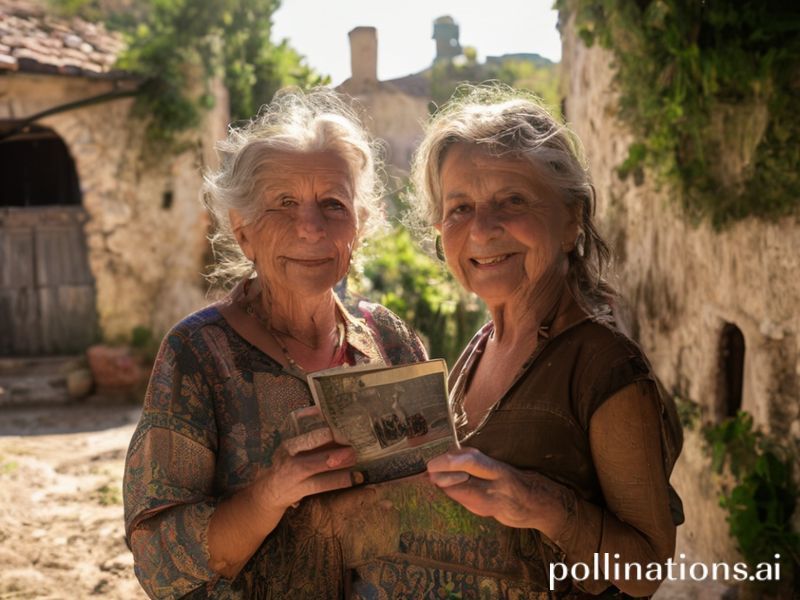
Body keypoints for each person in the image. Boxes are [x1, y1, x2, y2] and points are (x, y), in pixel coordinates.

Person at [122, 88, 427, 599]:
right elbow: (158, 563)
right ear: (244, 234)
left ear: (360, 226)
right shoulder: (197, 352)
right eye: (285, 204)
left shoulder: (388, 339)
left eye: (334, 204)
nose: (311, 228)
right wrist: (271, 494)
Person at [404, 85, 683, 597]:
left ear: (570, 219)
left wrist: (539, 503)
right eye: (459, 207)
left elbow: (646, 571)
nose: (482, 230)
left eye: (512, 201)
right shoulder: (479, 348)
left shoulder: (603, 368)